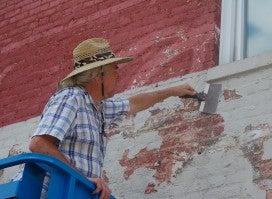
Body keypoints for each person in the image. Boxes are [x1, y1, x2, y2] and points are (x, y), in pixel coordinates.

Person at [29, 38, 196, 199]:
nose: (118, 76)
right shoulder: (71, 97)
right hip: (45, 193)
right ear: (98, 75)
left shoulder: (99, 108)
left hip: (70, 192)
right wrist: (80, 177)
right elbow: (39, 143)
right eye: (115, 69)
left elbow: (134, 103)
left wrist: (173, 91)